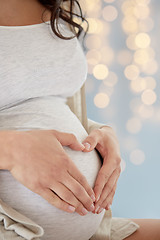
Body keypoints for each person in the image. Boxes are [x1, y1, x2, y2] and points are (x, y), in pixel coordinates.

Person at [0, 0, 159, 239]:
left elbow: (43, 101)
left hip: (92, 229)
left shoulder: (57, 5)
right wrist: (11, 150)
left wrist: (99, 133)